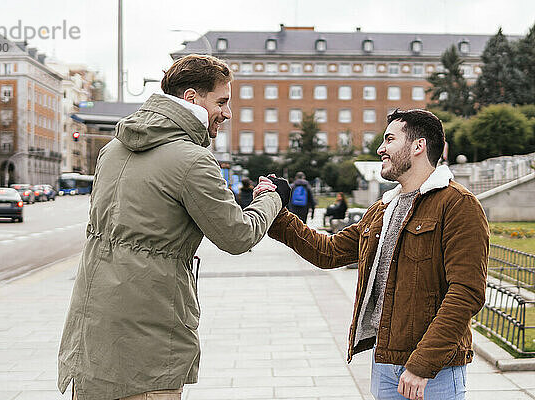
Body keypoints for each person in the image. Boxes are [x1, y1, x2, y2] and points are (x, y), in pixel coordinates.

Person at [57, 54, 287, 400]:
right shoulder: (193, 160)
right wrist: (270, 198)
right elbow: (237, 236)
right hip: (150, 338)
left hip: (92, 332)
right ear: (192, 99)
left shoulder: (112, 149)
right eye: (221, 102)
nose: (227, 113)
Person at [266, 109, 488, 400]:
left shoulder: (457, 205)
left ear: (418, 146)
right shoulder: (384, 208)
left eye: (390, 139)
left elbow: (467, 292)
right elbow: (328, 252)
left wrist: (423, 364)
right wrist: (278, 214)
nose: (380, 149)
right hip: (385, 364)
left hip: (435, 372)